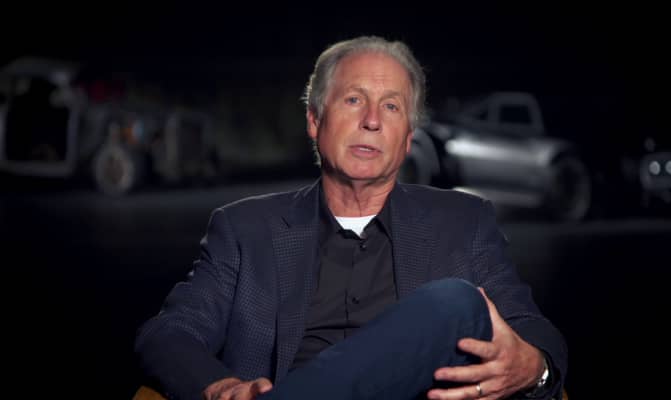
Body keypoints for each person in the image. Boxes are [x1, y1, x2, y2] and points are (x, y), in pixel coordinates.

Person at [135, 35, 567, 400]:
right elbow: (169, 334)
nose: (372, 121)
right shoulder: (245, 230)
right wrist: (220, 386)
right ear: (314, 120)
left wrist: (535, 368)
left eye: (392, 107)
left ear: (408, 138)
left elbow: (532, 329)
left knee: (459, 304)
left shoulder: (464, 221)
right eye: (354, 99)